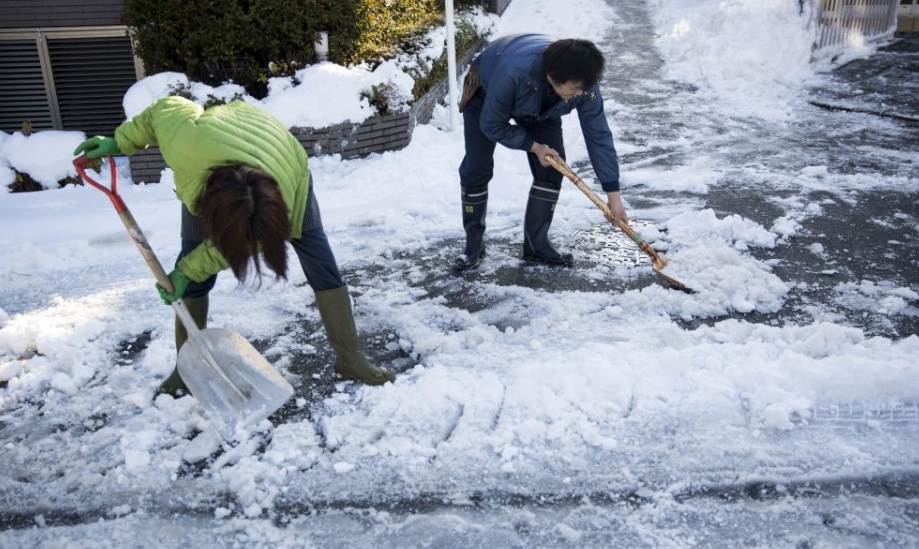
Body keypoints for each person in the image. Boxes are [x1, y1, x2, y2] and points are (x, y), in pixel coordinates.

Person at [73, 96, 395, 395]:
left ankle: (350, 358)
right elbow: (164, 109)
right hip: (213, 160)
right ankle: (187, 371)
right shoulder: (185, 140)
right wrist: (119, 141)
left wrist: (190, 268)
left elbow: (247, 241)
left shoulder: (275, 203)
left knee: (319, 259)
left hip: (286, 166)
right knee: (193, 267)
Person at [453, 34, 628, 272]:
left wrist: (613, 196)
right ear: (552, 76)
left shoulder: (582, 85)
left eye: (583, 88)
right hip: (486, 93)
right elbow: (492, 124)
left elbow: (598, 135)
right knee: (476, 167)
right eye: (575, 88)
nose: (580, 93)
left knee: (554, 166)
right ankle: (473, 245)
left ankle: (537, 244)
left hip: (542, 107)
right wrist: (534, 147)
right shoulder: (513, 73)